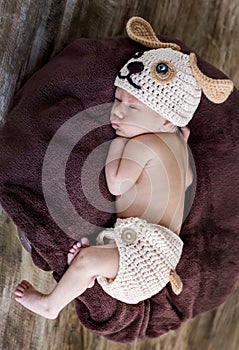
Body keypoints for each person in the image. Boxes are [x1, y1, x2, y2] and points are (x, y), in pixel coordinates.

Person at [14, 48, 196, 319]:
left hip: (145, 254)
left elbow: (116, 183)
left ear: (167, 120)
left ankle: (51, 305)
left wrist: (119, 141)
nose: (117, 113)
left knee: (87, 261)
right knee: (89, 260)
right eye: (117, 100)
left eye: (132, 107)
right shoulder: (179, 149)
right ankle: (89, 270)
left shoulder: (144, 144)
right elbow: (188, 180)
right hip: (156, 250)